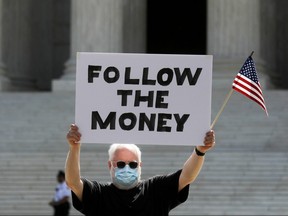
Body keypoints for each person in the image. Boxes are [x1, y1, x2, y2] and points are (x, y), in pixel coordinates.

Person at [65, 124, 215, 216]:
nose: (127, 168)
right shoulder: (98, 194)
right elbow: (72, 182)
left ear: (140, 166)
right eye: (121, 164)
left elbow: (186, 177)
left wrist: (199, 151)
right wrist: (74, 148)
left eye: (133, 164)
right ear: (110, 165)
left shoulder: (156, 190)